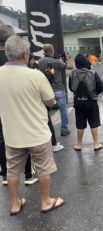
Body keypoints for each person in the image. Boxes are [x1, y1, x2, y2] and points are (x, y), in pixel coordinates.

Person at [0, 35, 65, 215]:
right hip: (37, 133)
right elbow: (51, 101)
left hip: (12, 135)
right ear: (26, 55)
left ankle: (15, 204)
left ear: (7, 54)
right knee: (43, 168)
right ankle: (45, 201)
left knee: (12, 171)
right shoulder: (35, 75)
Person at [0, 25, 39, 186]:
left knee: (2, 140)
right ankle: (29, 174)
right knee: (25, 137)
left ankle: (5, 175)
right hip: (21, 105)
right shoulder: (14, 58)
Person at [69, 54, 103, 151]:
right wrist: (93, 93)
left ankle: (79, 145)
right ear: (85, 62)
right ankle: (96, 144)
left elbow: (71, 88)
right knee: (93, 123)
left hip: (78, 103)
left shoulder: (72, 74)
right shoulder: (92, 73)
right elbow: (101, 87)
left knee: (80, 124)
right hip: (91, 102)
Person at [38, 44, 74, 136]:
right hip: (58, 89)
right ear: (52, 50)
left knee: (45, 111)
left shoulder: (40, 61)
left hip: (46, 90)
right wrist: (68, 58)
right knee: (63, 109)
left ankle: (47, 131)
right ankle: (64, 130)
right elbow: (70, 66)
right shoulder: (55, 61)